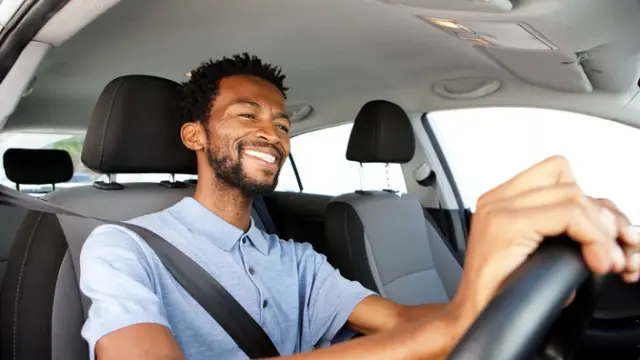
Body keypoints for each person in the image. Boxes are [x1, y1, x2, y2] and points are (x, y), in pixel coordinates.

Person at [79, 53, 640, 360]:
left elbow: (397, 320)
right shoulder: (122, 247)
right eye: (247, 116)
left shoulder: (293, 258)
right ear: (195, 137)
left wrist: (501, 297)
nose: (271, 135)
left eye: (281, 123)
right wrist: (452, 327)